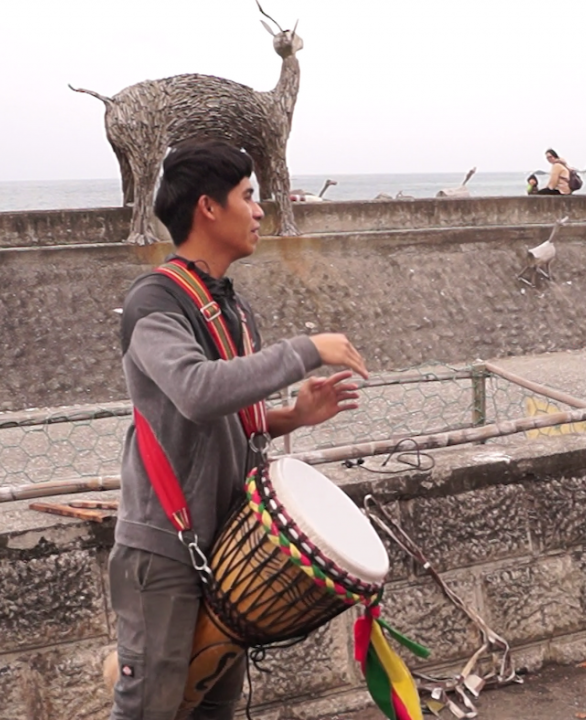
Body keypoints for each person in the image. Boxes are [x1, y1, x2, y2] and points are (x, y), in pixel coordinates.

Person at [109, 141, 369, 720]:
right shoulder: (154, 301)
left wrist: (290, 418)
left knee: (211, 709)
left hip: (228, 543)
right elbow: (197, 392)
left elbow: (222, 420)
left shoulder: (231, 306)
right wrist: (305, 350)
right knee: (150, 707)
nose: (258, 210)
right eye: (248, 196)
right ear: (208, 207)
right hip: (165, 547)